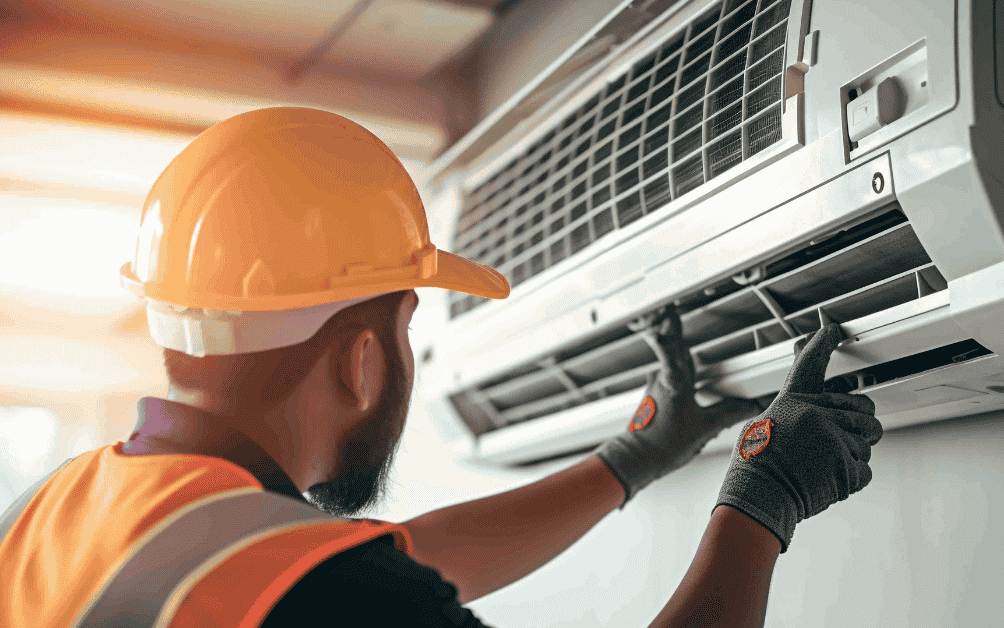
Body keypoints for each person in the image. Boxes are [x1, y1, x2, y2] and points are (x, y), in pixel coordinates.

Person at [0, 107, 883, 627]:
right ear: (361, 359)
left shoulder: (46, 512)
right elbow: (363, 585)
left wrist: (632, 458)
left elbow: (410, 557)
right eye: (406, 327)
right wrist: (761, 500)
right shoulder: (323, 592)